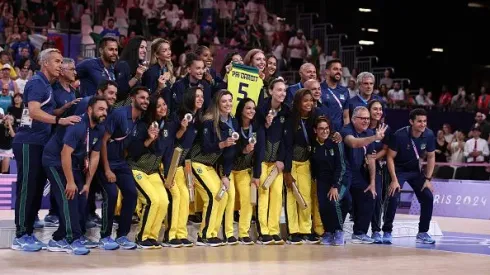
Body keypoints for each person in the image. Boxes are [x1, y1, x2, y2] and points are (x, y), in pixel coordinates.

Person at [11, 48, 81, 252]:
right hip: (28, 142)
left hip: (41, 142)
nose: (61, 65)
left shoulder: (47, 86)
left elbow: (46, 110)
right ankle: (20, 235)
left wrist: (65, 108)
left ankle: (29, 230)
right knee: (27, 188)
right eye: (57, 61)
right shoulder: (36, 83)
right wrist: (60, 119)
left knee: (36, 188)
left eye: (61, 62)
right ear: (45, 64)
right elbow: (33, 112)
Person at [42, 96, 108, 255]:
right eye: (100, 109)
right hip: (54, 161)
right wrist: (70, 182)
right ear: (89, 109)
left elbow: (95, 156)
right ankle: (73, 238)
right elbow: (65, 153)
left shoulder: (99, 128)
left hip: (72, 163)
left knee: (81, 197)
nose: (104, 112)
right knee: (68, 196)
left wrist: (87, 183)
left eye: (106, 109)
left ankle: (59, 238)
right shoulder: (78, 126)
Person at [98, 86, 150, 250]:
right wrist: (107, 169)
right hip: (105, 162)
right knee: (112, 194)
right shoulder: (120, 114)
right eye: (142, 98)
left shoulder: (139, 120)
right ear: (133, 98)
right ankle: (105, 236)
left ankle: (122, 235)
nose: (145, 101)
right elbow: (103, 141)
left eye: (147, 99)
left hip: (121, 162)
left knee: (131, 194)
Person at [190, 90, 237, 247]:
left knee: (222, 196)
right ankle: (203, 235)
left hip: (210, 166)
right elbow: (205, 147)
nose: (228, 104)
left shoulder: (232, 122)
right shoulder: (209, 121)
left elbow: (230, 154)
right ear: (217, 103)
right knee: (211, 196)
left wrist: (226, 175)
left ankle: (213, 233)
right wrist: (222, 144)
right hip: (197, 163)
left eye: (230, 100)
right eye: (224, 101)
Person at [127, 94, 173, 248]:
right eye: (159, 106)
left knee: (164, 201)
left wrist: (168, 175)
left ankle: (152, 236)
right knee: (152, 200)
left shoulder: (166, 126)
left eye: (164, 104)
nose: (163, 108)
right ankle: (142, 236)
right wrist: (149, 139)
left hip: (153, 171)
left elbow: (167, 153)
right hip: (137, 168)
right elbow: (133, 151)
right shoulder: (142, 125)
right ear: (153, 108)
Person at [385, 108, 436, 244]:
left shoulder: (429, 135)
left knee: (428, 197)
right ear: (411, 122)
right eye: (419, 121)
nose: (423, 124)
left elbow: (431, 156)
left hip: (415, 171)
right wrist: (394, 180)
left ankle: (423, 232)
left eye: (425, 121)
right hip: (399, 170)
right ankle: (387, 231)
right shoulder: (399, 135)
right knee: (393, 197)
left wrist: (428, 179)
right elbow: (389, 157)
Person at [165, 86, 204, 247]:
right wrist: (182, 128)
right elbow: (173, 140)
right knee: (176, 196)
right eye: (197, 96)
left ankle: (181, 233)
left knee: (185, 197)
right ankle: (170, 235)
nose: (200, 99)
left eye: (202, 96)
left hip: (183, 163)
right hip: (171, 161)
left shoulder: (197, 118)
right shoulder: (178, 116)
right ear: (190, 98)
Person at [341, 106, 386, 243]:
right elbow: (354, 143)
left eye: (368, 118)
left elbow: (371, 158)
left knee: (369, 194)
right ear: (354, 119)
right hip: (343, 174)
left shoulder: (369, 132)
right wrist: (374, 137)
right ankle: (335, 230)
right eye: (363, 118)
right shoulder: (346, 130)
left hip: (358, 174)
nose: (366, 121)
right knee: (345, 199)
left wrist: (372, 182)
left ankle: (360, 232)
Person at [255, 78, 290, 245]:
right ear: (270, 91)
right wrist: (266, 125)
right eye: (279, 90)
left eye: (284, 90)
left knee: (277, 196)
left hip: (277, 163)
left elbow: (287, 139)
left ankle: (274, 230)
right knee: (263, 195)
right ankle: (264, 232)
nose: (282, 93)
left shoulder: (287, 111)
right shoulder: (260, 109)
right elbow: (256, 134)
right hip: (262, 161)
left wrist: (282, 159)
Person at [283, 88, 319, 244]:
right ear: (298, 103)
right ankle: (294, 231)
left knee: (305, 196)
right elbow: (287, 146)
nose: (309, 103)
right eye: (305, 101)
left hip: (305, 162)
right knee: (292, 197)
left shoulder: (315, 118)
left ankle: (305, 229)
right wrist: (286, 171)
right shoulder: (291, 119)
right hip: (291, 163)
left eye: (311, 100)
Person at [227, 98, 264, 245]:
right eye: (248, 108)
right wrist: (243, 150)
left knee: (248, 200)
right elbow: (230, 150)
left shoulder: (257, 128)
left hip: (244, 170)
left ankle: (243, 233)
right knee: (230, 199)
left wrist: (256, 175)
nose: (251, 111)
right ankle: (229, 233)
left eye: (253, 109)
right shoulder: (234, 124)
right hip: (229, 169)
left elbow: (260, 153)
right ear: (241, 110)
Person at [311, 116, 350, 246]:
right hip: (322, 180)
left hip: (340, 179)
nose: (324, 131)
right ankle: (328, 232)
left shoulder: (336, 143)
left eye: (327, 128)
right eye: (321, 129)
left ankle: (339, 231)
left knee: (334, 201)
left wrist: (335, 185)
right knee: (322, 205)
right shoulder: (313, 145)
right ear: (315, 130)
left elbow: (341, 166)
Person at [367, 100, 391, 243]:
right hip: (360, 165)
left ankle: (376, 230)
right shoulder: (363, 126)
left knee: (377, 198)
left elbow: (386, 149)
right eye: (375, 109)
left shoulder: (385, 128)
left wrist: (373, 158)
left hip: (377, 166)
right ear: (368, 110)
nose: (378, 112)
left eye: (380, 109)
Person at [320, 59, 350, 132]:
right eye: (335, 69)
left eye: (340, 70)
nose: (338, 72)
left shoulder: (345, 91)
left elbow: (346, 116)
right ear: (327, 71)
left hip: (340, 133)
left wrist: (346, 132)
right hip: (323, 132)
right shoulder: (319, 89)